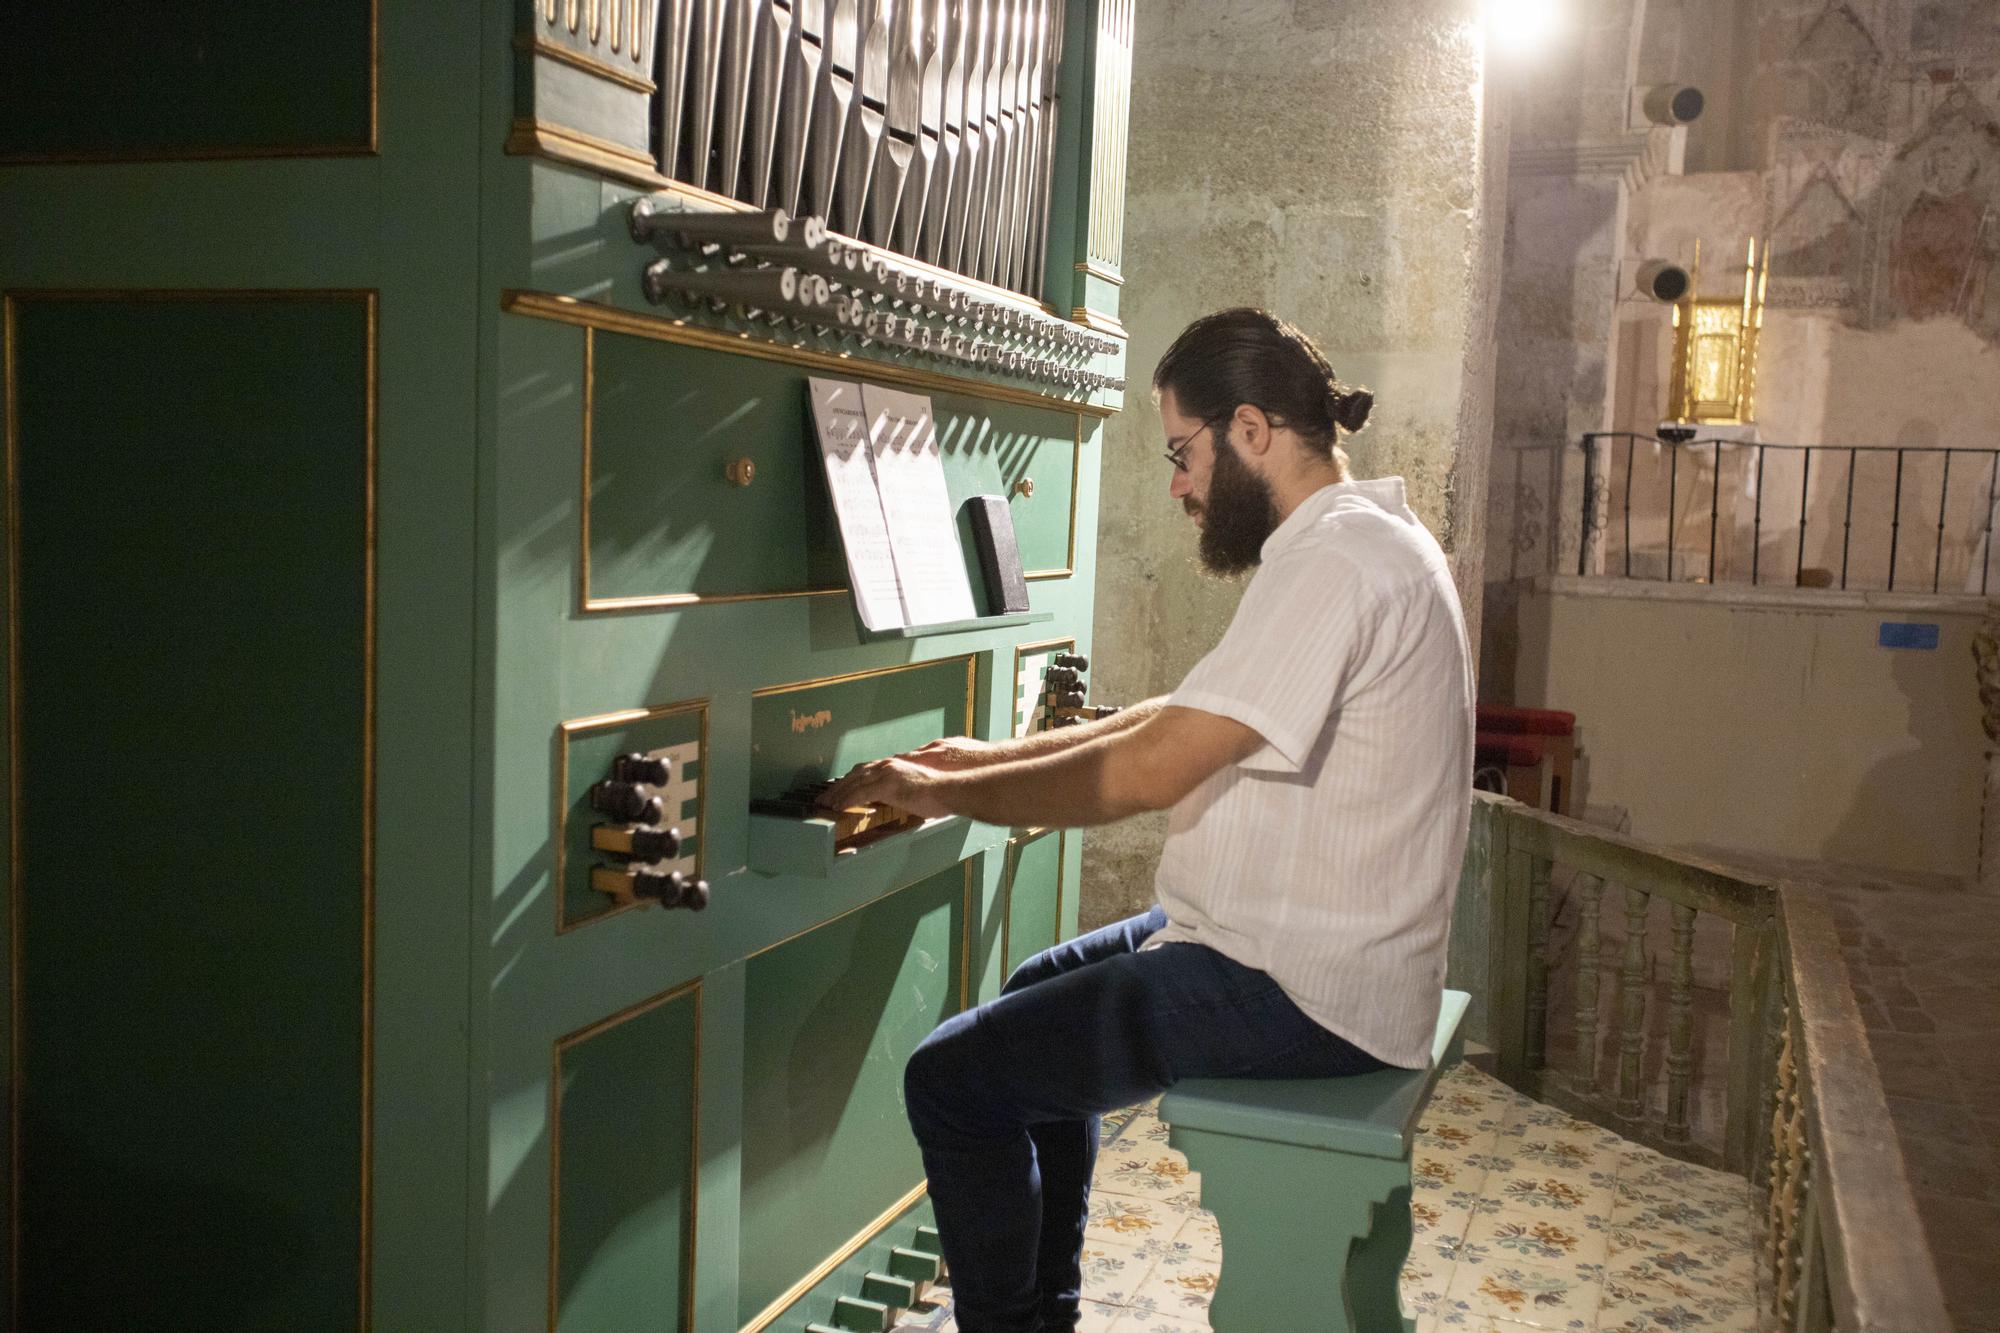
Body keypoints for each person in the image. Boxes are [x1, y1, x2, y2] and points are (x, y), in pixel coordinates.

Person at [818, 307, 1475, 1333]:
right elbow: (1175, 715)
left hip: (1303, 989)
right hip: (1296, 947)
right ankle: (1047, 1308)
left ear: (1249, 429)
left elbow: (1151, 769)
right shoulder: (1354, 540)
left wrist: (945, 792)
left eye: (1182, 452)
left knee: (948, 1079)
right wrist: (979, 759)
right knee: (1036, 989)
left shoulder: (1336, 565)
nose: (1177, 484)